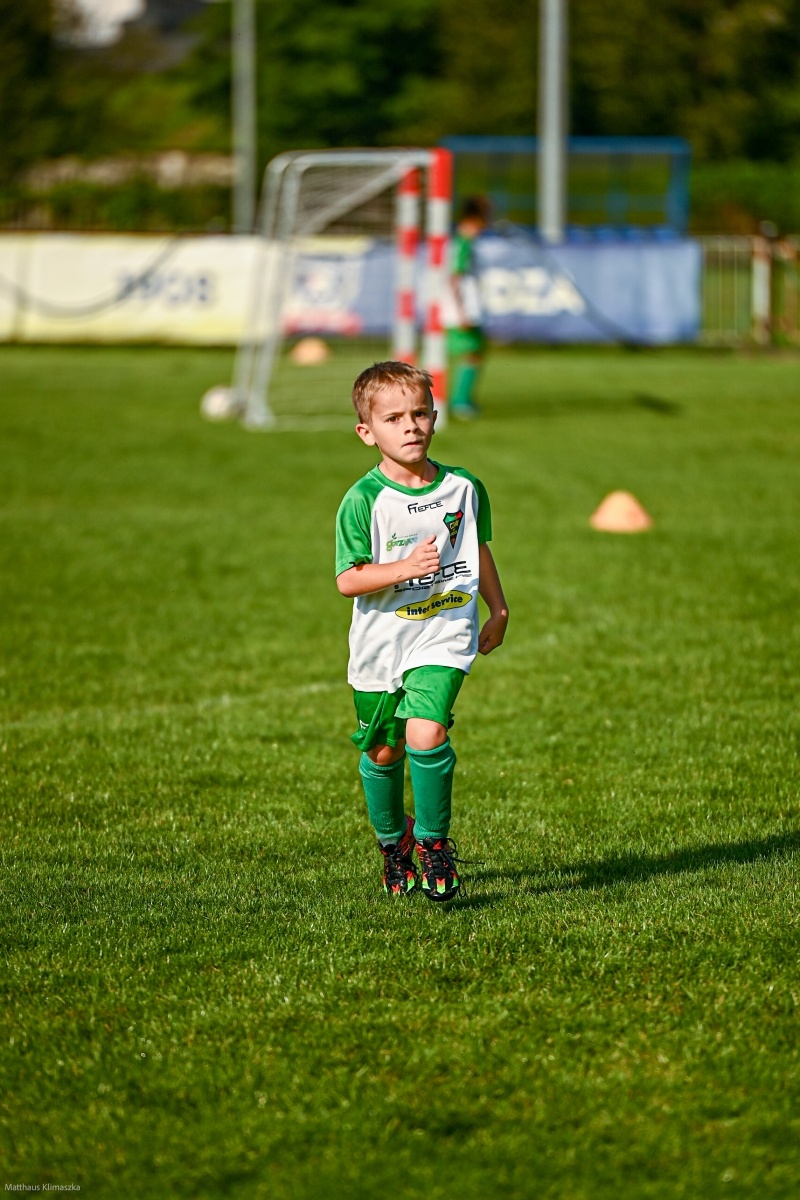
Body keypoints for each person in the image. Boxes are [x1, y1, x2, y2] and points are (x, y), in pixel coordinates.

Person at [335, 361, 509, 901]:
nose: (410, 426)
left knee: (426, 732)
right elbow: (348, 580)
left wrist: (499, 609)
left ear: (434, 417)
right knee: (383, 753)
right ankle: (394, 846)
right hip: (381, 645)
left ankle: (433, 842)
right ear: (367, 432)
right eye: (393, 418)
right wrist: (403, 569)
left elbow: (477, 548)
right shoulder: (363, 500)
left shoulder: (463, 487)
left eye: (419, 414)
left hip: (445, 630)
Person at [445, 195, 491, 420]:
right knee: (469, 354)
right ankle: (459, 402)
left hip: (465, 308)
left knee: (475, 352)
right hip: (460, 310)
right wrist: (460, 311)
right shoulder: (462, 243)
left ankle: (461, 400)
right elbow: (454, 278)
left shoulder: (465, 243)